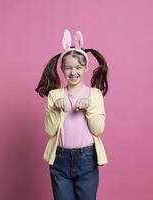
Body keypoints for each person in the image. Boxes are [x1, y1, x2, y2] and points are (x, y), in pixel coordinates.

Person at [35, 29, 109, 200]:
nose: (73, 72)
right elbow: (49, 130)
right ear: (61, 69)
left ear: (86, 68)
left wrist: (89, 107)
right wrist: (55, 109)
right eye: (68, 68)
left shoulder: (94, 95)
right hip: (60, 159)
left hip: (87, 159)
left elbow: (98, 129)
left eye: (78, 67)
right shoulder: (55, 95)